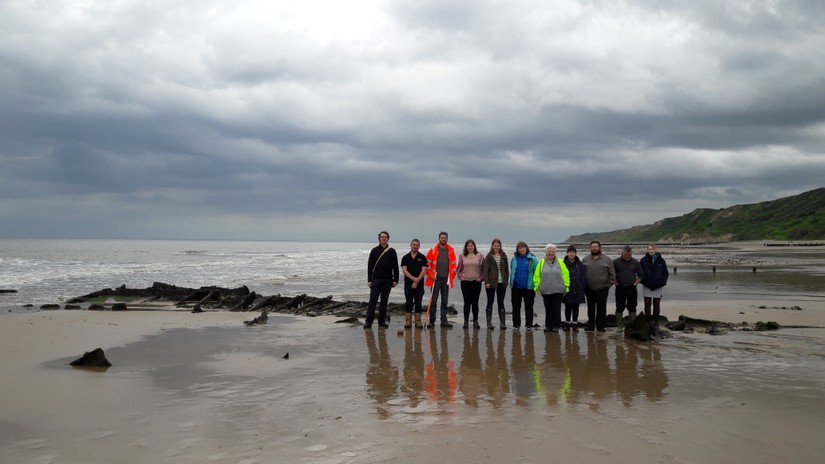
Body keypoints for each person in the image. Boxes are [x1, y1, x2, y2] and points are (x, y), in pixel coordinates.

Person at [365, 230, 399, 329]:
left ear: (388, 239)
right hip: (376, 280)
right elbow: (370, 266)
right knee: (373, 301)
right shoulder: (374, 250)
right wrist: (369, 280)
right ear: (379, 239)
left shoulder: (392, 251)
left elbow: (395, 266)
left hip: (388, 280)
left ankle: (382, 322)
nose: (383, 238)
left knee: (384, 302)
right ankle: (368, 322)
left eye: (385, 237)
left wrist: (396, 279)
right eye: (382, 237)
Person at [533, 243, 570, 332]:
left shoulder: (560, 262)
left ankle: (556, 326)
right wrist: (538, 287)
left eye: (553, 251)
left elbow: (566, 274)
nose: (551, 253)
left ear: (555, 252)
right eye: (549, 251)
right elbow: (536, 276)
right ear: (546, 252)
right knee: (548, 309)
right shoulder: (541, 263)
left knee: (557, 309)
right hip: (545, 290)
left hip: (558, 290)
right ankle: (548, 326)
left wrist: (566, 285)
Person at [425, 232, 458, 328]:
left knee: (444, 301)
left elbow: (454, 265)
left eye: (445, 238)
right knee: (433, 301)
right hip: (435, 279)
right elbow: (427, 265)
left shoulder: (451, 250)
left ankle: (444, 321)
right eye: (442, 238)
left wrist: (452, 276)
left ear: (447, 239)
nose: (443, 239)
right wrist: (431, 276)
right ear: (439, 238)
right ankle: (432, 321)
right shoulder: (433, 250)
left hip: (446, 280)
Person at [581, 241, 615, 332]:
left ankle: (600, 326)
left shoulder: (607, 259)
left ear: (600, 247)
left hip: (602, 288)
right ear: (590, 248)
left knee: (601, 308)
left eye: (596, 247)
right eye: (592, 247)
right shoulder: (585, 259)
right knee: (590, 308)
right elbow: (581, 273)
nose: (594, 248)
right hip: (588, 288)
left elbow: (612, 274)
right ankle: (590, 326)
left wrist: (608, 285)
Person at [613, 245, 645, 331]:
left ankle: (632, 326)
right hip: (620, 287)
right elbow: (611, 274)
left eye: (630, 254)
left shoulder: (635, 262)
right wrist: (615, 282)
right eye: (626, 254)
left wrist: (636, 283)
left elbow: (641, 275)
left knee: (632, 306)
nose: (628, 256)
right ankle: (619, 326)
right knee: (619, 307)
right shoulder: (616, 262)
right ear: (622, 253)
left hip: (632, 287)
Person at [509, 241, 538, 330]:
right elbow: (512, 270)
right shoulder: (514, 259)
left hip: (528, 287)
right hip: (516, 286)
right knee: (516, 306)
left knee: (528, 306)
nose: (521, 249)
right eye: (520, 248)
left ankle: (529, 325)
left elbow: (537, 272)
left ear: (526, 248)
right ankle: (516, 325)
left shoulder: (532, 259)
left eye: (523, 247)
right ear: (518, 249)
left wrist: (536, 284)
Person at [639, 244, 669, 328]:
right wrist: (644, 281)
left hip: (658, 285)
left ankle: (656, 322)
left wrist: (662, 282)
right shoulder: (643, 260)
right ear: (647, 250)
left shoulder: (661, 261)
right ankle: (647, 321)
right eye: (649, 249)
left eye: (653, 249)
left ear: (655, 250)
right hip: (647, 285)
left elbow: (665, 273)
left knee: (656, 303)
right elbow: (640, 273)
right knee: (647, 303)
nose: (651, 250)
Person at [401, 238, 428, 329]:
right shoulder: (405, 257)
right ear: (411, 245)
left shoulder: (422, 257)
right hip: (408, 284)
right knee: (408, 302)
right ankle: (408, 322)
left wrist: (417, 281)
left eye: (417, 245)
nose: (415, 246)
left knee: (418, 303)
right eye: (414, 244)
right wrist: (414, 280)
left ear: (419, 246)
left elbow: (424, 271)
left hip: (419, 285)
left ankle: (418, 322)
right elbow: (404, 271)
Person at [482, 238, 509, 330]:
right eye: (495, 245)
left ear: (500, 246)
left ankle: (502, 323)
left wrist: (506, 280)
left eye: (498, 245)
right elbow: (485, 270)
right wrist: (487, 282)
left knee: (501, 302)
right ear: (492, 246)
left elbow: (506, 270)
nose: (496, 247)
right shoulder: (489, 256)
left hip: (502, 283)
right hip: (491, 283)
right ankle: (489, 323)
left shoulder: (504, 256)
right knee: (490, 301)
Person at [457, 239, 484, 329]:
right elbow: (458, 269)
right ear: (466, 247)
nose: (470, 247)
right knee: (467, 302)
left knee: (475, 302)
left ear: (474, 246)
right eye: (468, 246)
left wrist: (480, 278)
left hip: (476, 282)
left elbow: (483, 269)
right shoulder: (462, 256)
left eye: (471, 245)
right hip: (465, 282)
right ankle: (466, 321)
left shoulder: (480, 256)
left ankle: (475, 321)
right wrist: (461, 277)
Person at [562, 245, 587, 331]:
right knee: (568, 306)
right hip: (567, 289)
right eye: (570, 252)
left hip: (578, 288)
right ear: (567, 253)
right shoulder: (563, 263)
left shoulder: (579, 264)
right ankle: (567, 323)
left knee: (576, 307)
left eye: (573, 252)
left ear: (575, 253)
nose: (571, 254)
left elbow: (583, 275)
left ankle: (575, 323)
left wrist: (582, 285)